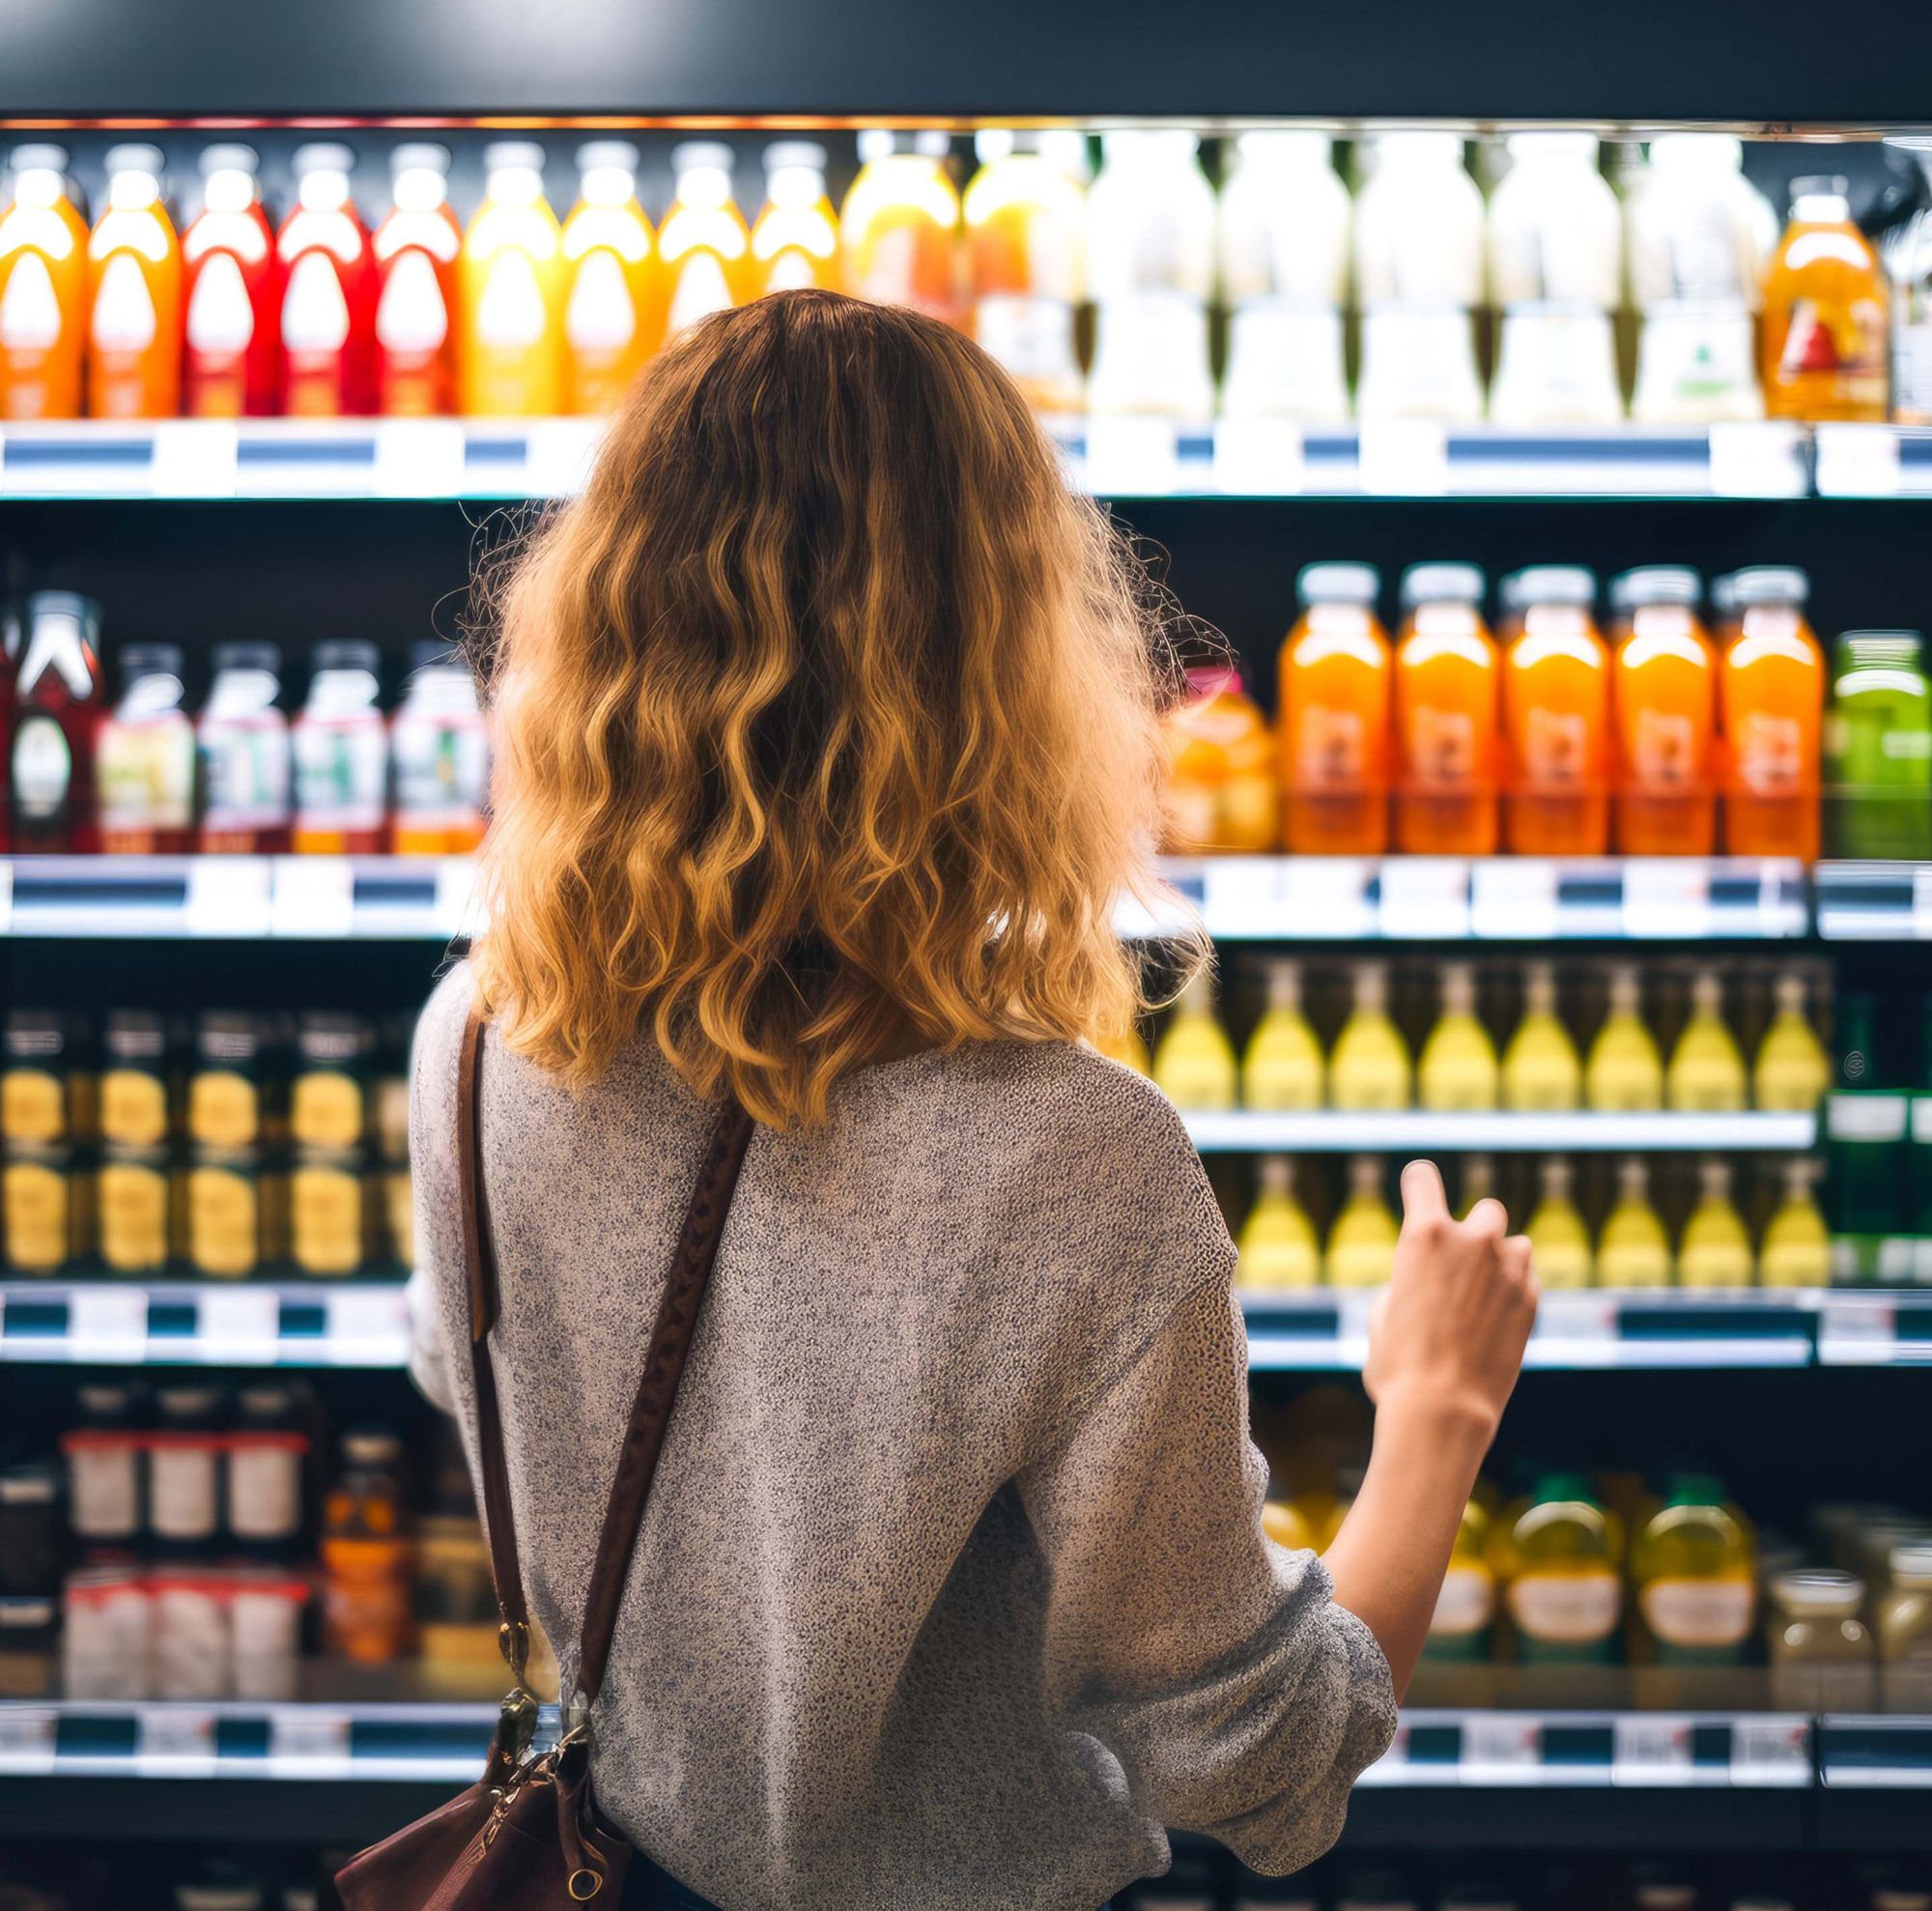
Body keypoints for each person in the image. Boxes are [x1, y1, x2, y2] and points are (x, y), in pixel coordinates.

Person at [408, 288, 1537, 1911]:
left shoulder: (471, 1042)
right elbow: (1258, 1758)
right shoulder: (1072, 1155)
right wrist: (1439, 1410)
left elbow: (478, 1379)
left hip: (611, 1869)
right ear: (1001, 664)